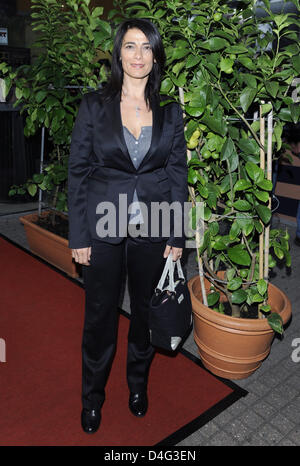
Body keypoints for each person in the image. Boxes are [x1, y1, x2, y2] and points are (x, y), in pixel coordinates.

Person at [67, 18, 188, 434]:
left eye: (147, 48)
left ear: (155, 57)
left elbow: (176, 174)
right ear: (118, 53)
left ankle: (137, 384)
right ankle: (92, 397)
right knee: (99, 317)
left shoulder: (171, 111)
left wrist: (177, 233)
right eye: (131, 46)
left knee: (143, 315)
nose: (139, 55)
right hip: (103, 225)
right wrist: (79, 235)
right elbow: (78, 172)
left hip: (153, 226)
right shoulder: (93, 106)